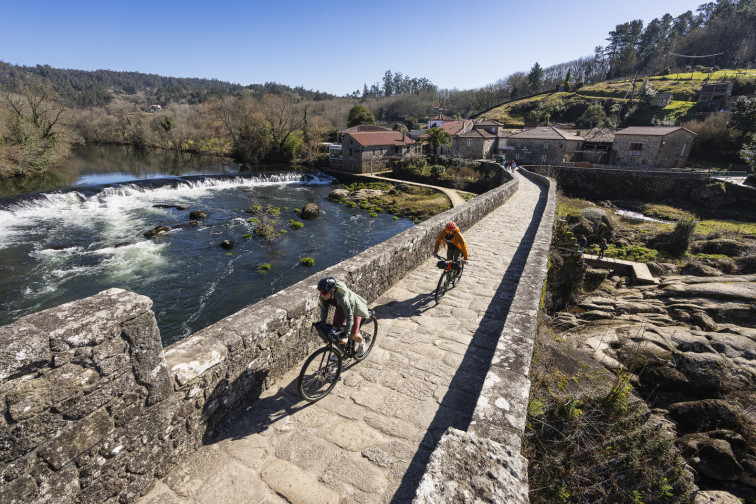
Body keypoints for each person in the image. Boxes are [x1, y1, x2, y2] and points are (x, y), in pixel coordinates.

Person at [317, 276, 369, 354]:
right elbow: (324, 309)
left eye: (325, 293)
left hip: (353, 310)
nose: (322, 295)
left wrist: (346, 335)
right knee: (335, 330)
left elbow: (349, 316)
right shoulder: (323, 296)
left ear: (332, 291)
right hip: (340, 308)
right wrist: (322, 322)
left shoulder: (342, 297)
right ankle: (341, 350)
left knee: (353, 335)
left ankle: (362, 343)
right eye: (321, 292)